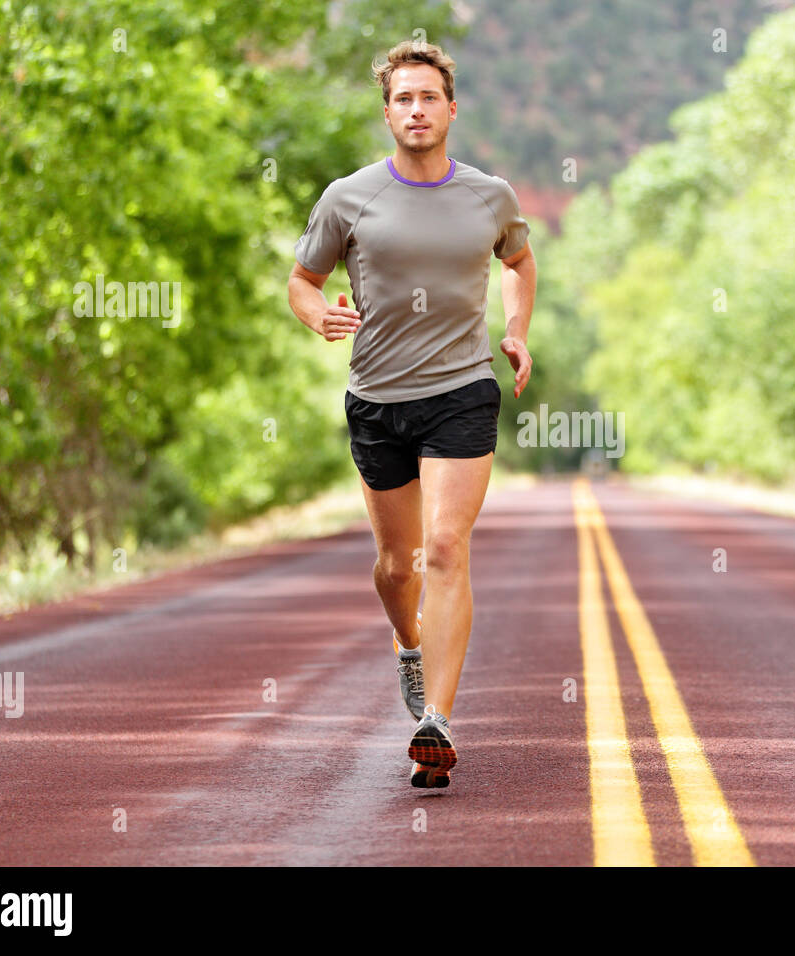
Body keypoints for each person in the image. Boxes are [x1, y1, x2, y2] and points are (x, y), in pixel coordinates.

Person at [287, 40, 536, 789]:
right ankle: (408, 646)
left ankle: (438, 718)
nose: (417, 109)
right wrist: (316, 317)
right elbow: (303, 279)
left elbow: (518, 261)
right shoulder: (348, 196)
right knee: (399, 569)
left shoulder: (490, 195)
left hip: (461, 392)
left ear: (451, 109)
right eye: (403, 98)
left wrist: (516, 329)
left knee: (445, 548)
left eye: (429, 97)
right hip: (377, 402)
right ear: (388, 110)